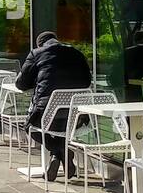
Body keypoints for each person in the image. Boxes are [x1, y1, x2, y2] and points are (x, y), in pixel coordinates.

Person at [15, 31, 92, 181]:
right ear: (57, 40)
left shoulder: (36, 53)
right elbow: (87, 81)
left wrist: (37, 80)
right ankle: (61, 152)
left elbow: (21, 83)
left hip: (46, 112)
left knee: (30, 127)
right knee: (60, 130)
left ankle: (59, 151)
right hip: (76, 115)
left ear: (40, 44)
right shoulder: (76, 53)